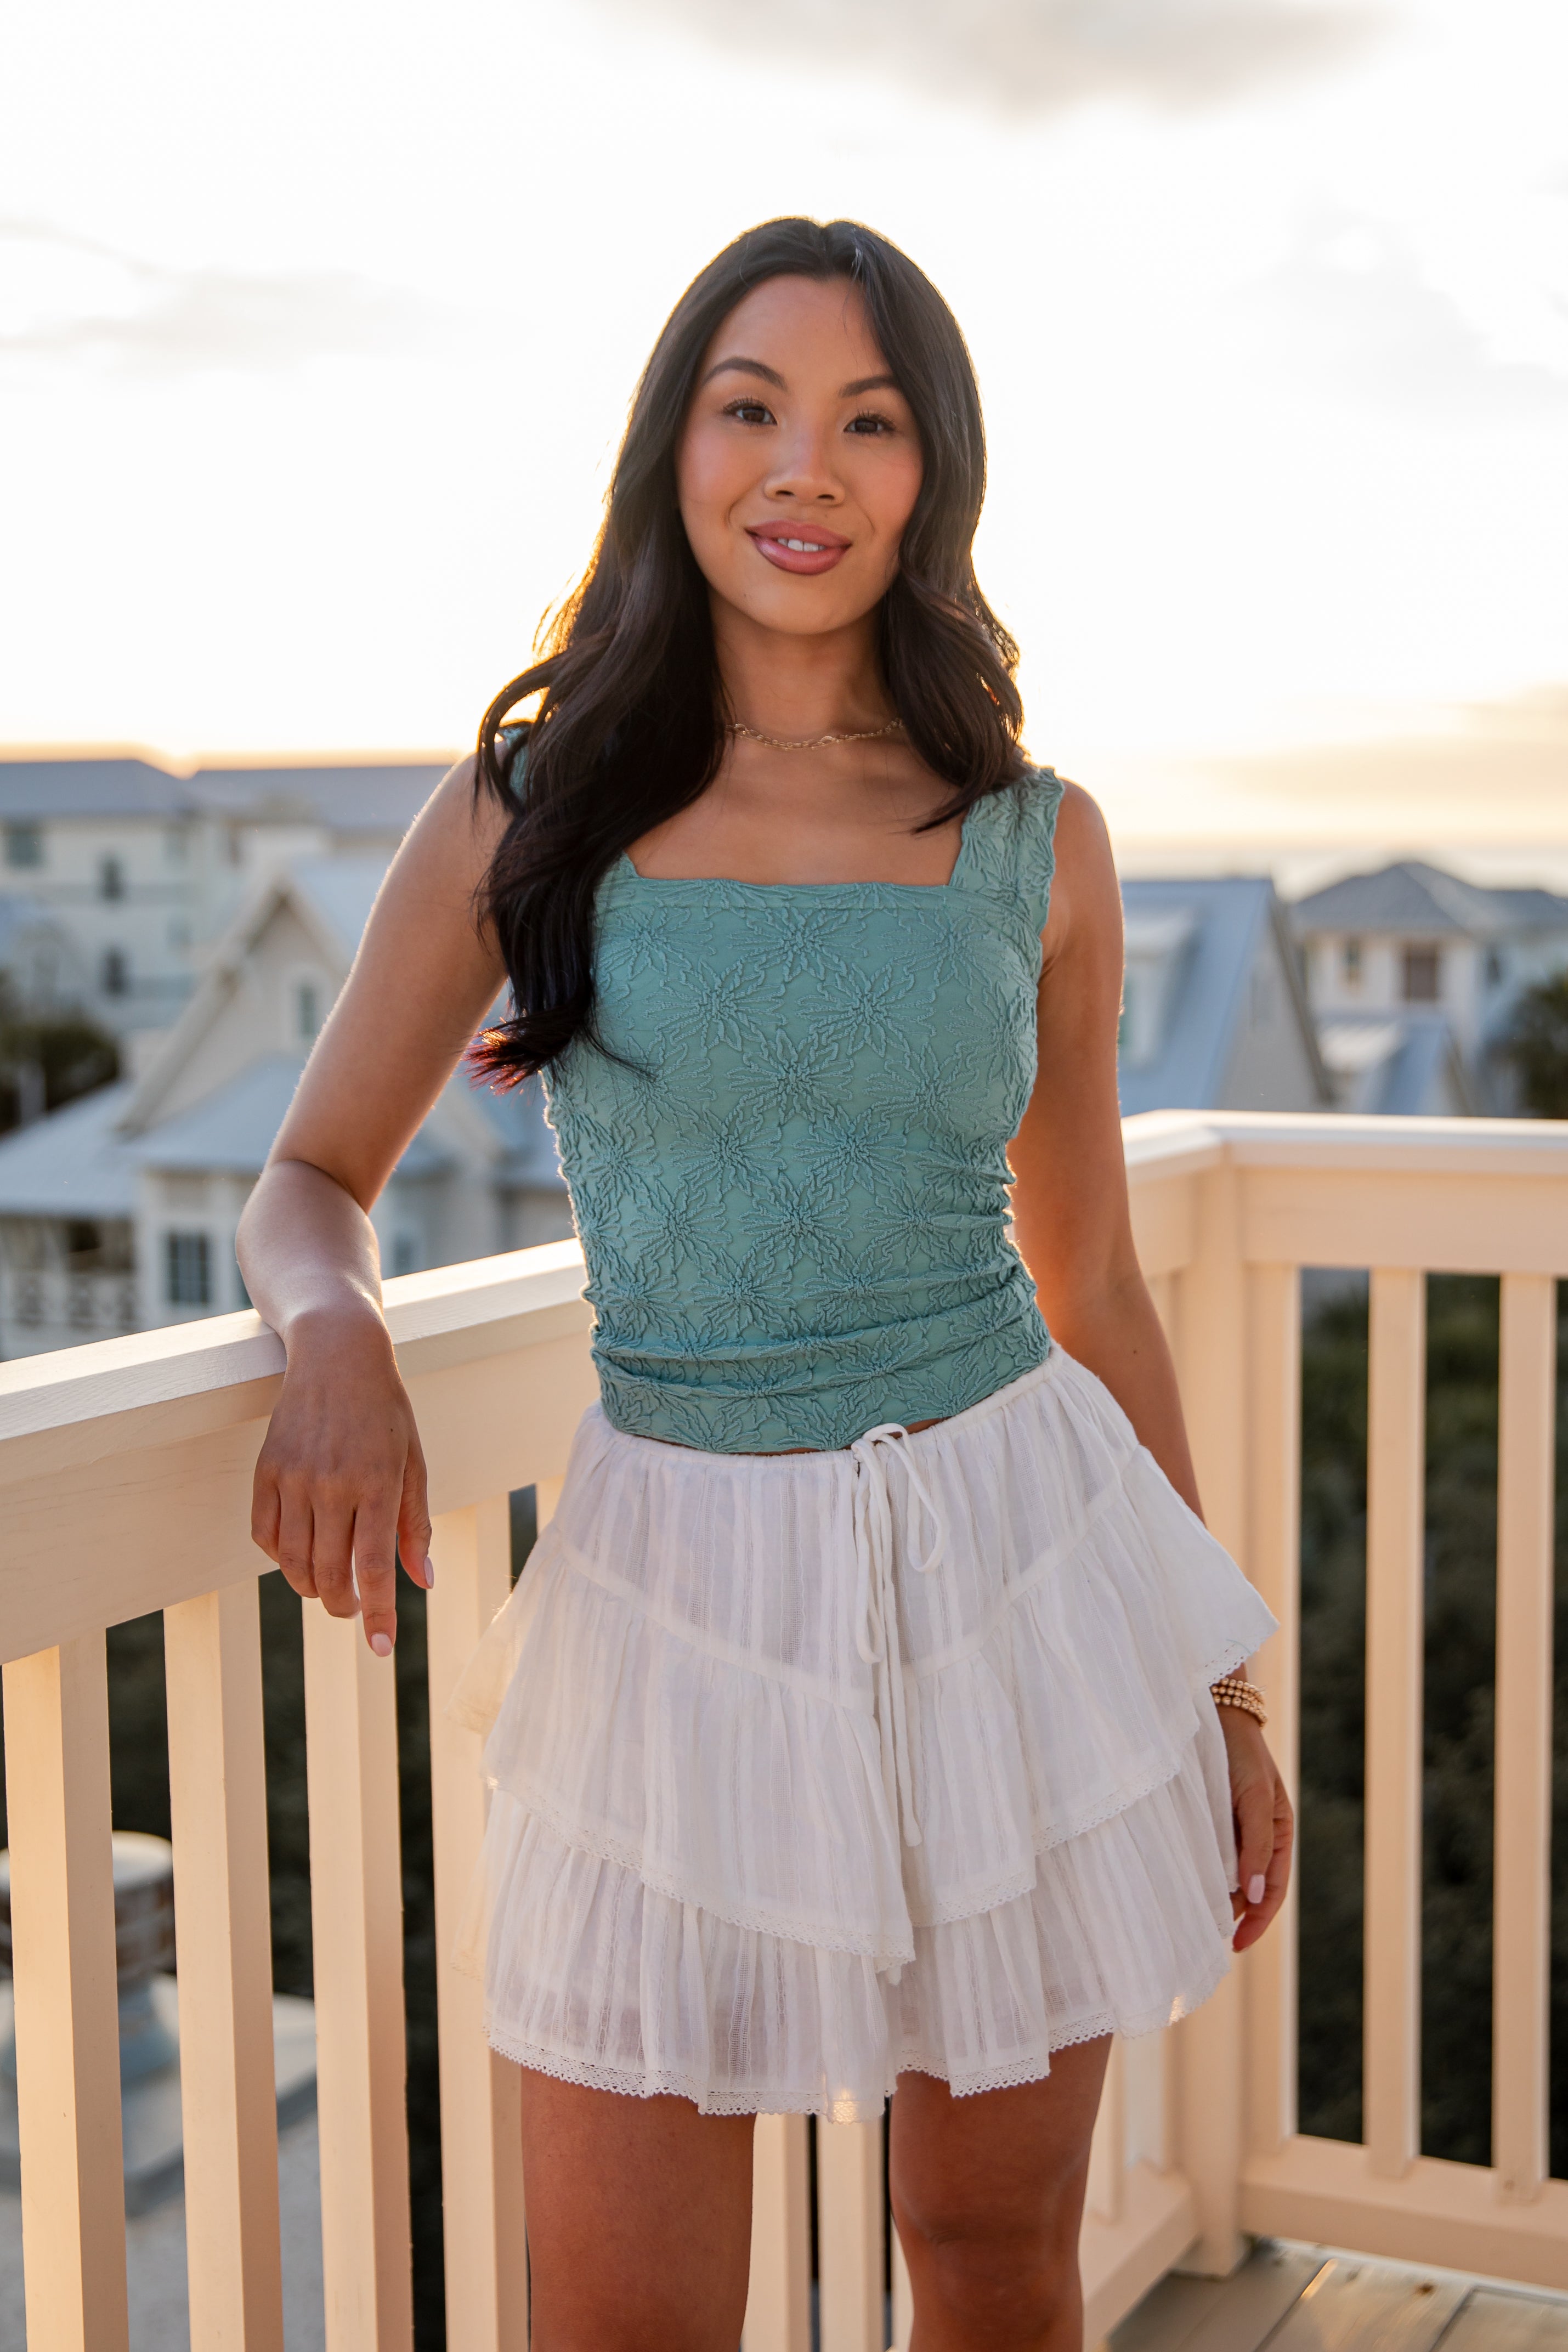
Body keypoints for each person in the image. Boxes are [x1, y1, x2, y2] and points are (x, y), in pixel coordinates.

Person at [239, 217, 1293, 2352]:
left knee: (990, 2258)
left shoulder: (1033, 836)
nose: (803, 466)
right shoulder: (526, 804)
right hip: (676, 1607)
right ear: (675, 449)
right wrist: (332, 1331)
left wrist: (1219, 1688)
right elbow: (304, 1177)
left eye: (866, 420)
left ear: (930, 477)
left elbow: (1087, 1270)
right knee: (622, 2323)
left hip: (1015, 1572)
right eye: (752, 406)